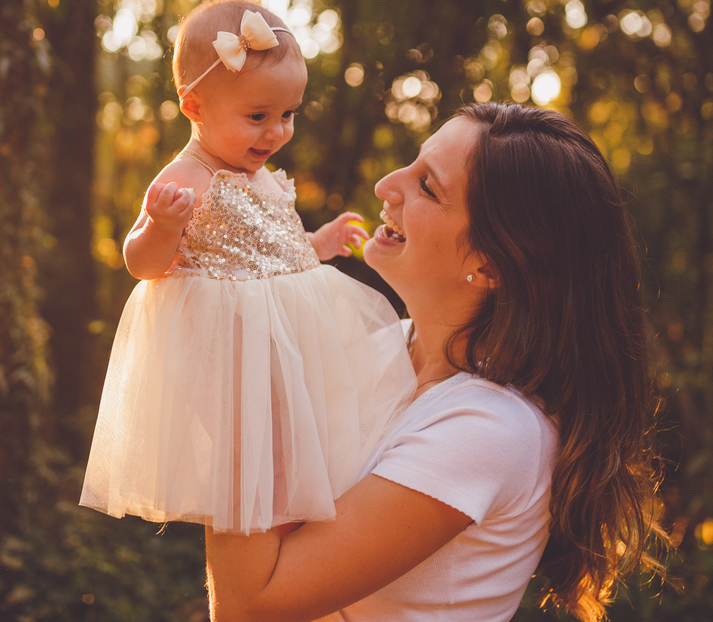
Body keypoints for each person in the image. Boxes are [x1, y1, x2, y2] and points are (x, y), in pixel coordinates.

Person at [206, 102, 662, 622]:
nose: (386, 185)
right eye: (412, 164)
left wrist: (247, 369)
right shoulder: (380, 347)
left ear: (488, 263)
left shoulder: (490, 429)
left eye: (427, 186)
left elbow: (249, 606)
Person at [80, 0, 416, 535]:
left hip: (286, 336)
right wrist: (163, 228)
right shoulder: (185, 179)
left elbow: (273, 244)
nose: (276, 132)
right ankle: (266, 550)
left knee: (311, 431)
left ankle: (308, 531)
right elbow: (140, 263)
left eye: (287, 115)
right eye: (257, 116)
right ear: (194, 106)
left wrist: (319, 243)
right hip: (229, 349)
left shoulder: (260, 175)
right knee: (254, 451)